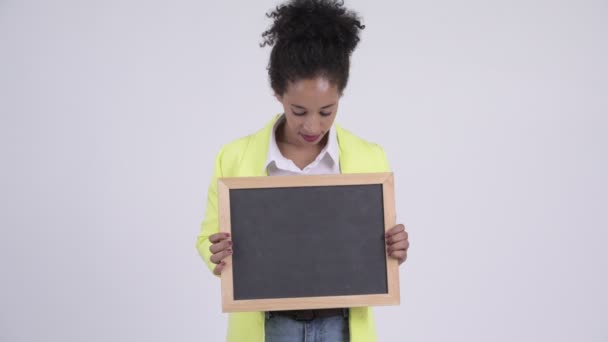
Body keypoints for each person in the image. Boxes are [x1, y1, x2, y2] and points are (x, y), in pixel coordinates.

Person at [196, 1, 410, 341]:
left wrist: (394, 249)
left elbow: (373, 250)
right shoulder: (234, 158)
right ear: (278, 94)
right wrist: (216, 251)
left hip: (341, 325)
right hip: (269, 326)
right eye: (299, 111)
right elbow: (207, 238)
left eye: (327, 111)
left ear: (341, 95)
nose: (313, 125)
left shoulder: (369, 158)